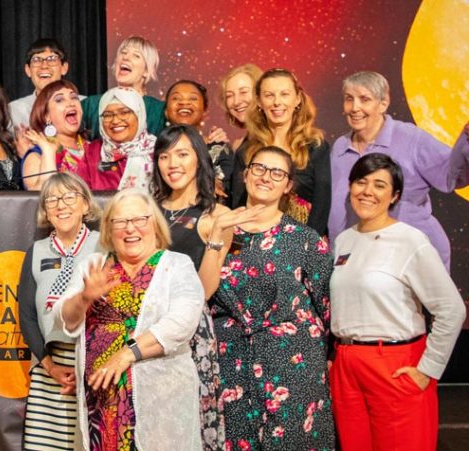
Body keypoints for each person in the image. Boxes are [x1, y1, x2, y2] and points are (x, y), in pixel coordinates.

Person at [330, 153, 465, 451]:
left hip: (394, 365)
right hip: (347, 366)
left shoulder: (410, 240)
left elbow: (451, 309)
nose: (367, 191)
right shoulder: (343, 241)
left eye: (380, 185)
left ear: (395, 196)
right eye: (361, 181)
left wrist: (427, 370)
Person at [55, 189, 204, 450]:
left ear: (155, 225)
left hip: (161, 400)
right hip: (102, 406)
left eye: (139, 220)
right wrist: (84, 298)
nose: (130, 229)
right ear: (109, 229)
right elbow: (64, 320)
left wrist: (127, 354)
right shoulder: (93, 265)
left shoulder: (177, 265)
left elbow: (183, 321)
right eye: (120, 222)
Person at [208, 146, 335, 449]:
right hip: (231, 362)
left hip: (293, 364)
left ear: (288, 185)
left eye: (277, 172)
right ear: (246, 173)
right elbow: (203, 295)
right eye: (259, 168)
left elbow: (327, 307)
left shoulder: (305, 239)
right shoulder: (220, 231)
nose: (266, 177)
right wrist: (215, 235)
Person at [329, 71, 469, 268]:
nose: (355, 107)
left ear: (383, 103)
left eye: (364, 99)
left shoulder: (410, 138)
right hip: (360, 257)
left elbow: (449, 176)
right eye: (349, 99)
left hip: (412, 256)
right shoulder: (340, 148)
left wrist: (466, 142)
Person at [151, 125, 229, 449]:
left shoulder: (215, 215)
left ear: (199, 159)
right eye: (165, 156)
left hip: (188, 335)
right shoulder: (146, 209)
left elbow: (206, 291)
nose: (172, 164)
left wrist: (214, 240)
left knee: (185, 428)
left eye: (182, 154)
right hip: (142, 325)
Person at [17, 173, 100, 450]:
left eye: (69, 197)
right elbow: (27, 315)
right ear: (46, 211)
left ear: (86, 205)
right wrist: (49, 366)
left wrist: (87, 370)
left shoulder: (104, 245)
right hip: (48, 367)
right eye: (52, 199)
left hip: (94, 368)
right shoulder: (37, 251)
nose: (60, 205)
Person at [229, 68, 331, 236]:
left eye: (284, 94)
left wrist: (305, 246)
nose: (277, 102)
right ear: (259, 101)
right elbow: (238, 204)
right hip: (254, 238)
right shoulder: (246, 150)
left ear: (297, 99)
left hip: (304, 241)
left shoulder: (315, 146)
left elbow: (322, 205)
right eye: (269, 95)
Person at [70, 87, 155, 191]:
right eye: (108, 115)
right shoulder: (92, 152)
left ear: (139, 115)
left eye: (124, 113)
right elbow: (79, 194)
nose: (115, 121)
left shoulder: (157, 150)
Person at [81, 36, 167, 139]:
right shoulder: (91, 105)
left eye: (136, 56)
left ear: (146, 71)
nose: (125, 58)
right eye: (123, 52)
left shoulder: (159, 111)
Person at [163, 80, 233, 198]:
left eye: (193, 99)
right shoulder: (154, 148)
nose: (184, 102)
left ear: (205, 111)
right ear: (166, 111)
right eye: (176, 98)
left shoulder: (219, 149)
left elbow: (224, 193)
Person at [21, 79, 86, 191]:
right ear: (47, 116)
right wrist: (48, 152)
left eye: (74, 97)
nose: (71, 103)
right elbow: (38, 197)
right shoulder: (37, 155)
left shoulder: (97, 149)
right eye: (59, 100)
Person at [9, 38, 70, 130]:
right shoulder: (13, 111)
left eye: (52, 59)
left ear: (64, 68)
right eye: (37, 60)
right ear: (28, 70)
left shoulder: (82, 105)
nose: (44, 65)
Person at [219, 64, 263, 152]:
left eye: (243, 92)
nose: (236, 102)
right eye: (229, 95)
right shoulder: (238, 145)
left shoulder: (280, 137)